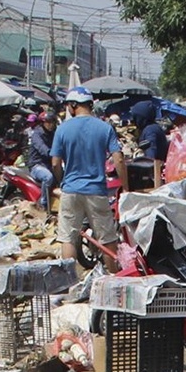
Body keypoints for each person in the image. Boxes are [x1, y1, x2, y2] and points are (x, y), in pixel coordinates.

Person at [49, 87, 124, 265]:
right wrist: (126, 186)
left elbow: (54, 163)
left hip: (70, 190)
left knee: (68, 237)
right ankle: (112, 278)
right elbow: (118, 159)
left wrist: (62, 181)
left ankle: (68, 282)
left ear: (74, 105)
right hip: (96, 190)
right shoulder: (105, 128)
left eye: (68, 105)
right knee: (107, 238)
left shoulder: (62, 129)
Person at [26, 109, 58, 209]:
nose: (51, 125)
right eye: (48, 122)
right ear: (43, 123)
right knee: (48, 177)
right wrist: (54, 153)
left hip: (48, 164)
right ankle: (43, 204)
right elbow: (43, 149)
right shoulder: (37, 134)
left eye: (52, 122)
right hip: (36, 165)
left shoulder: (54, 133)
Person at [136, 107, 168, 186]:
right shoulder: (154, 127)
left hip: (156, 170)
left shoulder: (150, 130)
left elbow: (151, 148)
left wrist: (149, 166)